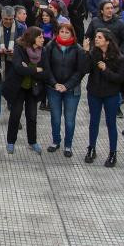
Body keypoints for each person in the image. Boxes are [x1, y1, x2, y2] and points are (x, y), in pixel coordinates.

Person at [41, 22, 89, 157]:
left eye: (67, 32)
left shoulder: (78, 49)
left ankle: (68, 145)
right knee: (55, 118)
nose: (64, 34)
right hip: (53, 88)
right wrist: (54, 83)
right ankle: (56, 141)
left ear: (72, 33)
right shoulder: (50, 46)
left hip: (72, 90)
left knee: (69, 119)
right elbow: (47, 67)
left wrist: (67, 85)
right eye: (61, 31)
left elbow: (81, 71)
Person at [85, 29, 124, 167]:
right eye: (96, 37)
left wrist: (105, 69)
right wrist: (86, 53)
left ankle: (112, 152)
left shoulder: (118, 57)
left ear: (107, 41)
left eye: (100, 37)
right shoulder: (93, 54)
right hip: (94, 92)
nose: (96, 39)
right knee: (93, 122)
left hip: (111, 94)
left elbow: (119, 78)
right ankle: (91, 148)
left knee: (111, 123)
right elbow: (85, 69)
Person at [2, 26, 45, 154]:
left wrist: (29, 68)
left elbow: (45, 71)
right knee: (15, 115)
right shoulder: (19, 48)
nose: (43, 39)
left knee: (32, 116)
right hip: (18, 88)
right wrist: (35, 69)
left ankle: (32, 142)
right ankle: (11, 142)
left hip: (33, 88)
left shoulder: (44, 50)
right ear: (32, 38)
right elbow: (18, 68)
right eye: (40, 37)